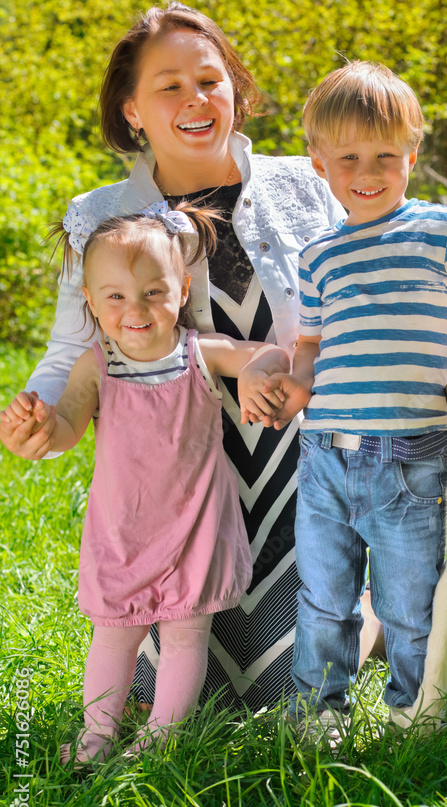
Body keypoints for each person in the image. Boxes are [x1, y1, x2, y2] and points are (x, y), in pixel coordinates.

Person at [0, 1, 386, 715]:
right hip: (174, 485)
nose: (194, 100)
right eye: (168, 86)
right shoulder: (97, 214)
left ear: (235, 89)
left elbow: (363, 320)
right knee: (181, 690)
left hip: (304, 468)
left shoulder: (308, 185)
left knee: (277, 690)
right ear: (132, 110)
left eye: (209, 80)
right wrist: (40, 418)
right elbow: (70, 351)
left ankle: (371, 601)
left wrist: (301, 379)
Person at [262, 61, 447, 728]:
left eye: (384, 155)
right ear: (319, 165)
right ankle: (321, 714)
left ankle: (415, 709)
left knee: (409, 600)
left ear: (411, 153)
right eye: (348, 157)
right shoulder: (318, 256)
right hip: (322, 455)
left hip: (410, 453)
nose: (366, 172)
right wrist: (295, 387)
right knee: (322, 597)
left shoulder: (442, 230)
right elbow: (313, 345)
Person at [1, 207, 289, 763]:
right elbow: (64, 430)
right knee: (113, 634)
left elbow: (264, 353)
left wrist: (257, 369)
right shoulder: (97, 364)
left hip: (194, 526)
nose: (136, 309)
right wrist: (38, 424)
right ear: (90, 299)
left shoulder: (198, 353)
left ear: (181, 290)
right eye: (115, 297)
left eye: (153, 292)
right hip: (122, 530)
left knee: (185, 636)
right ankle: (96, 737)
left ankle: (161, 742)